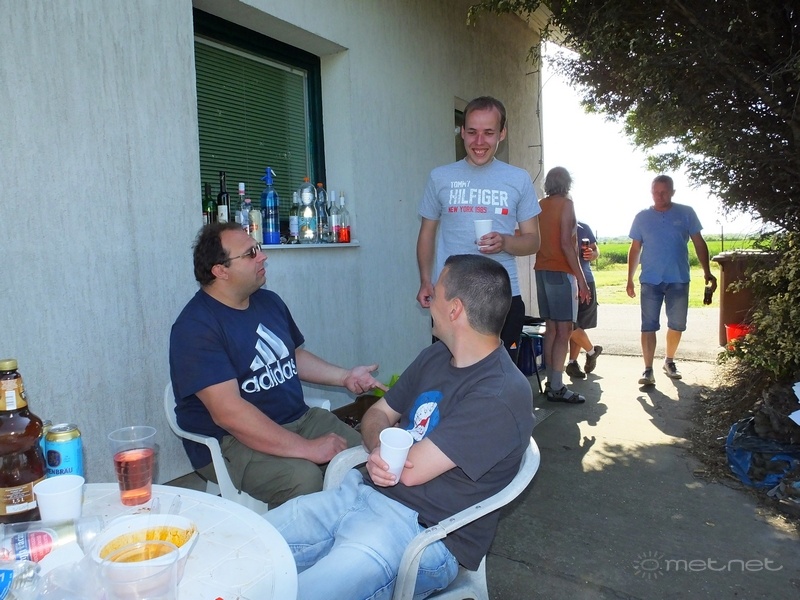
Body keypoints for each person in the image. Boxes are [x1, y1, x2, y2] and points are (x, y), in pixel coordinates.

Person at [266, 254, 534, 600]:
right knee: (249, 546)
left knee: (308, 593)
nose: (427, 300)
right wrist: (380, 447)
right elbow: (376, 414)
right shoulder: (435, 356)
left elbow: (409, 471)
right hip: (358, 496)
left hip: (423, 535)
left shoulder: (500, 394)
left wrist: (384, 454)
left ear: (454, 309)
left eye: (435, 292)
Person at [169, 222, 387, 507]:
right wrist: (307, 449)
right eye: (250, 253)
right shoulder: (195, 327)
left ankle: (357, 525)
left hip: (297, 418)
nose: (263, 256)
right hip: (230, 440)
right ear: (220, 271)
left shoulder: (268, 302)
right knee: (304, 479)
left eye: (258, 248)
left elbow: (291, 356)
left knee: (366, 457)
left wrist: (345, 376)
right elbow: (229, 414)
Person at [416, 96, 541, 362]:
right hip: (451, 299)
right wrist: (426, 280)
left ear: (502, 134)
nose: (479, 141)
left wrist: (505, 242)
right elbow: (427, 232)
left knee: (499, 378)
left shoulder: (518, 179)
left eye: (489, 133)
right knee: (449, 377)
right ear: (462, 132)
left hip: (503, 299)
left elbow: (533, 241)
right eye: (472, 132)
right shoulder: (440, 177)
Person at [626, 174, 717, 385]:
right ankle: (647, 370)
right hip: (650, 280)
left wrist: (707, 271)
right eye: (655, 192)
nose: (659, 196)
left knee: (677, 325)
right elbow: (635, 248)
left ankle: (669, 361)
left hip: (678, 279)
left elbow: (699, 243)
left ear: (673, 192)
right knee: (648, 326)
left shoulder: (686, 213)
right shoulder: (641, 217)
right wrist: (629, 278)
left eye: (664, 192)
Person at [534, 167, 591, 403]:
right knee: (564, 330)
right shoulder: (566, 204)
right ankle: (556, 386)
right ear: (567, 183)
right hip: (561, 272)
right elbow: (567, 244)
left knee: (551, 329)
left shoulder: (540, 205)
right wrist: (582, 279)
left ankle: (551, 382)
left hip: (542, 271)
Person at [565, 221, 603, 379]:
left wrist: (593, 254)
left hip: (585, 280)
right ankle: (592, 351)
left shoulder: (583, 227)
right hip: (563, 281)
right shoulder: (551, 224)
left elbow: (595, 249)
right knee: (569, 324)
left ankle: (572, 363)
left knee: (577, 323)